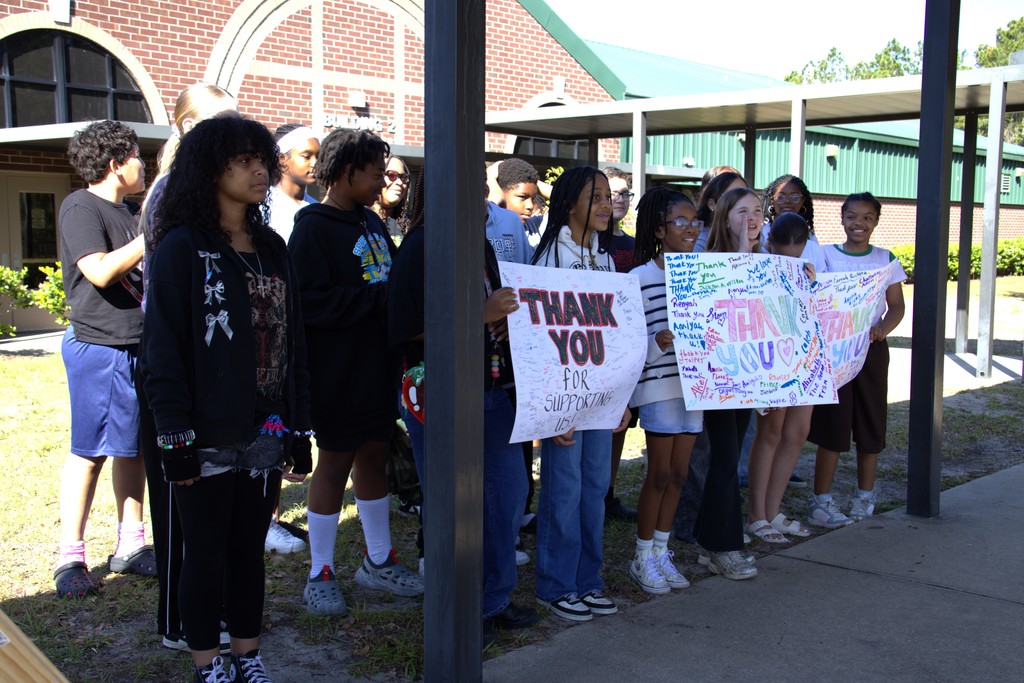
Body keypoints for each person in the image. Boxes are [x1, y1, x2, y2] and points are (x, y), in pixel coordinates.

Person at [141, 114, 313, 683]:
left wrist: (297, 426)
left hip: (263, 428)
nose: (259, 169)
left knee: (247, 550)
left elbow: (293, 340)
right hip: (203, 431)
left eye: (262, 158)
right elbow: (162, 352)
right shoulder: (182, 248)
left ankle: (248, 654)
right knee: (205, 552)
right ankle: (206, 662)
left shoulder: (271, 246)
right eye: (242, 160)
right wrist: (175, 438)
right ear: (209, 169)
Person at [388, 177, 538, 645]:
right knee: (454, 503)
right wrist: (480, 313)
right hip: (439, 394)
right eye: (467, 188)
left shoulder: (482, 247)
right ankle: (454, 614)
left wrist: (508, 324)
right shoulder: (420, 247)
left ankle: (492, 599)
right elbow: (402, 326)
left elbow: (494, 310)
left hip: (492, 389)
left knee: (508, 494)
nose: (480, 201)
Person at [290, 129, 422, 618]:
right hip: (338, 371)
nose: (382, 182)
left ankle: (379, 558)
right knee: (336, 461)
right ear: (347, 172)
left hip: (378, 366)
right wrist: (379, 300)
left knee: (373, 456)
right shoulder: (313, 227)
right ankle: (320, 571)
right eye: (374, 173)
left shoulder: (370, 221)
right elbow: (309, 302)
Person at [138, 82, 240, 651]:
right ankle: (179, 620)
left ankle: (210, 608)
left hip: (214, 363)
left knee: (210, 506)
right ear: (185, 128)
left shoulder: (206, 192)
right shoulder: (169, 194)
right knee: (179, 499)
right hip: (173, 360)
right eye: (217, 124)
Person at [55, 120, 152, 600]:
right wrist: (148, 237)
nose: (143, 164)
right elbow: (97, 272)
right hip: (98, 346)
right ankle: (69, 556)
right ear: (116, 162)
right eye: (136, 155)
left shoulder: (132, 209)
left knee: (131, 446)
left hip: (137, 344)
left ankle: (130, 545)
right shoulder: (80, 206)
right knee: (90, 450)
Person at [530, 166, 630, 622]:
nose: (607, 205)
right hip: (564, 404)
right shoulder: (549, 257)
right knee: (563, 492)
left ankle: (587, 581)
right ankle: (556, 586)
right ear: (570, 204)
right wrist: (555, 411)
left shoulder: (605, 259)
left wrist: (620, 399)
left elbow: (614, 339)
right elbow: (541, 340)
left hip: (599, 400)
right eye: (597, 197)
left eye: (609, 196)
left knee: (594, 489)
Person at [807, 192, 906, 527]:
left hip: (871, 350)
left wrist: (882, 328)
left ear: (876, 221)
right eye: (851, 216)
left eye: (866, 217)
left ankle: (865, 496)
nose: (858, 224)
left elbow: (897, 306)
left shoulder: (885, 259)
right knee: (833, 425)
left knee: (870, 422)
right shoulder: (825, 256)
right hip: (835, 351)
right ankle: (821, 500)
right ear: (841, 218)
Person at [627, 187, 703, 594]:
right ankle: (641, 557)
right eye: (680, 222)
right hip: (659, 388)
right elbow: (627, 344)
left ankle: (661, 550)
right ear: (659, 229)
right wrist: (659, 342)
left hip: (698, 388)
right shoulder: (639, 279)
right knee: (657, 473)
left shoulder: (705, 276)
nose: (690, 229)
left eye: (695, 222)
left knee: (678, 474)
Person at [694, 186, 765, 581]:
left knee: (731, 454)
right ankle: (725, 546)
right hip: (719, 378)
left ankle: (710, 537)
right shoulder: (707, 261)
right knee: (723, 458)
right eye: (742, 212)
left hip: (752, 377)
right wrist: (741, 250)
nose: (752, 219)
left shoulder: (768, 262)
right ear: (724, 217)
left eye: (757, 211)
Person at [745, 212, 818, 543]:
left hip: (803, 359)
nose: (788, 263)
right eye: (781, 257)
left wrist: (810, 285)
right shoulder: (756, 264)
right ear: (769, 244)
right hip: (771, 361)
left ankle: (773, 510)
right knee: (771, 432)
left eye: (795, 257)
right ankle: (756, 515)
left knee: (798, 431)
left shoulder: (808, 268)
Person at [602, 166, 639, 523]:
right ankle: (592, 494)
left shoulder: (633, 245)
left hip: (627, 347)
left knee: (619, 425)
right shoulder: (584, 243)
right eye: (610, 193)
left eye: (625, 193)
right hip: (594, 349)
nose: (618, 199)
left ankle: (608, 494)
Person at [268, 123, 320, 243]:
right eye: (306, 156)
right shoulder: (263, 206)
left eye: (318, 156)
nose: (315, 163)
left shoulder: (317, 208)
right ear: (282, 159)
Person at [372, 155, 412, 240]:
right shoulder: (359, 221)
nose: (400, 182)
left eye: (403, 177)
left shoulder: (411, 226)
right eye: (391, 175)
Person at [495, 158, 540, 225]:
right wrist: (490, 176)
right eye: (522, 197)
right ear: (500, 191)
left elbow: (561, 198)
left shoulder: (532, 227)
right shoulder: (487, 226)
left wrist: (532, 179)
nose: (530, 206)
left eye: (533, 199)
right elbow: (494, 200)